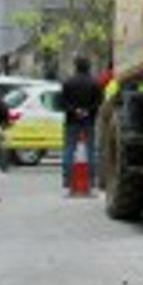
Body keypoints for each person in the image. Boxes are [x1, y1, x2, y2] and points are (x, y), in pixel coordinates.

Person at [60, 54, 104, 189]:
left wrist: (75, 110)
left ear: (76, 67)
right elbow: (99, 102)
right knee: (91, 150)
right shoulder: (95, 83)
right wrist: (87, 111)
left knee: (69, 149)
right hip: (89, 120)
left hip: (71, 120)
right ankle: (92, 180)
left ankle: (67, 179)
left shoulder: (68, 83)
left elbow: (62, 102)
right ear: (88, 67)